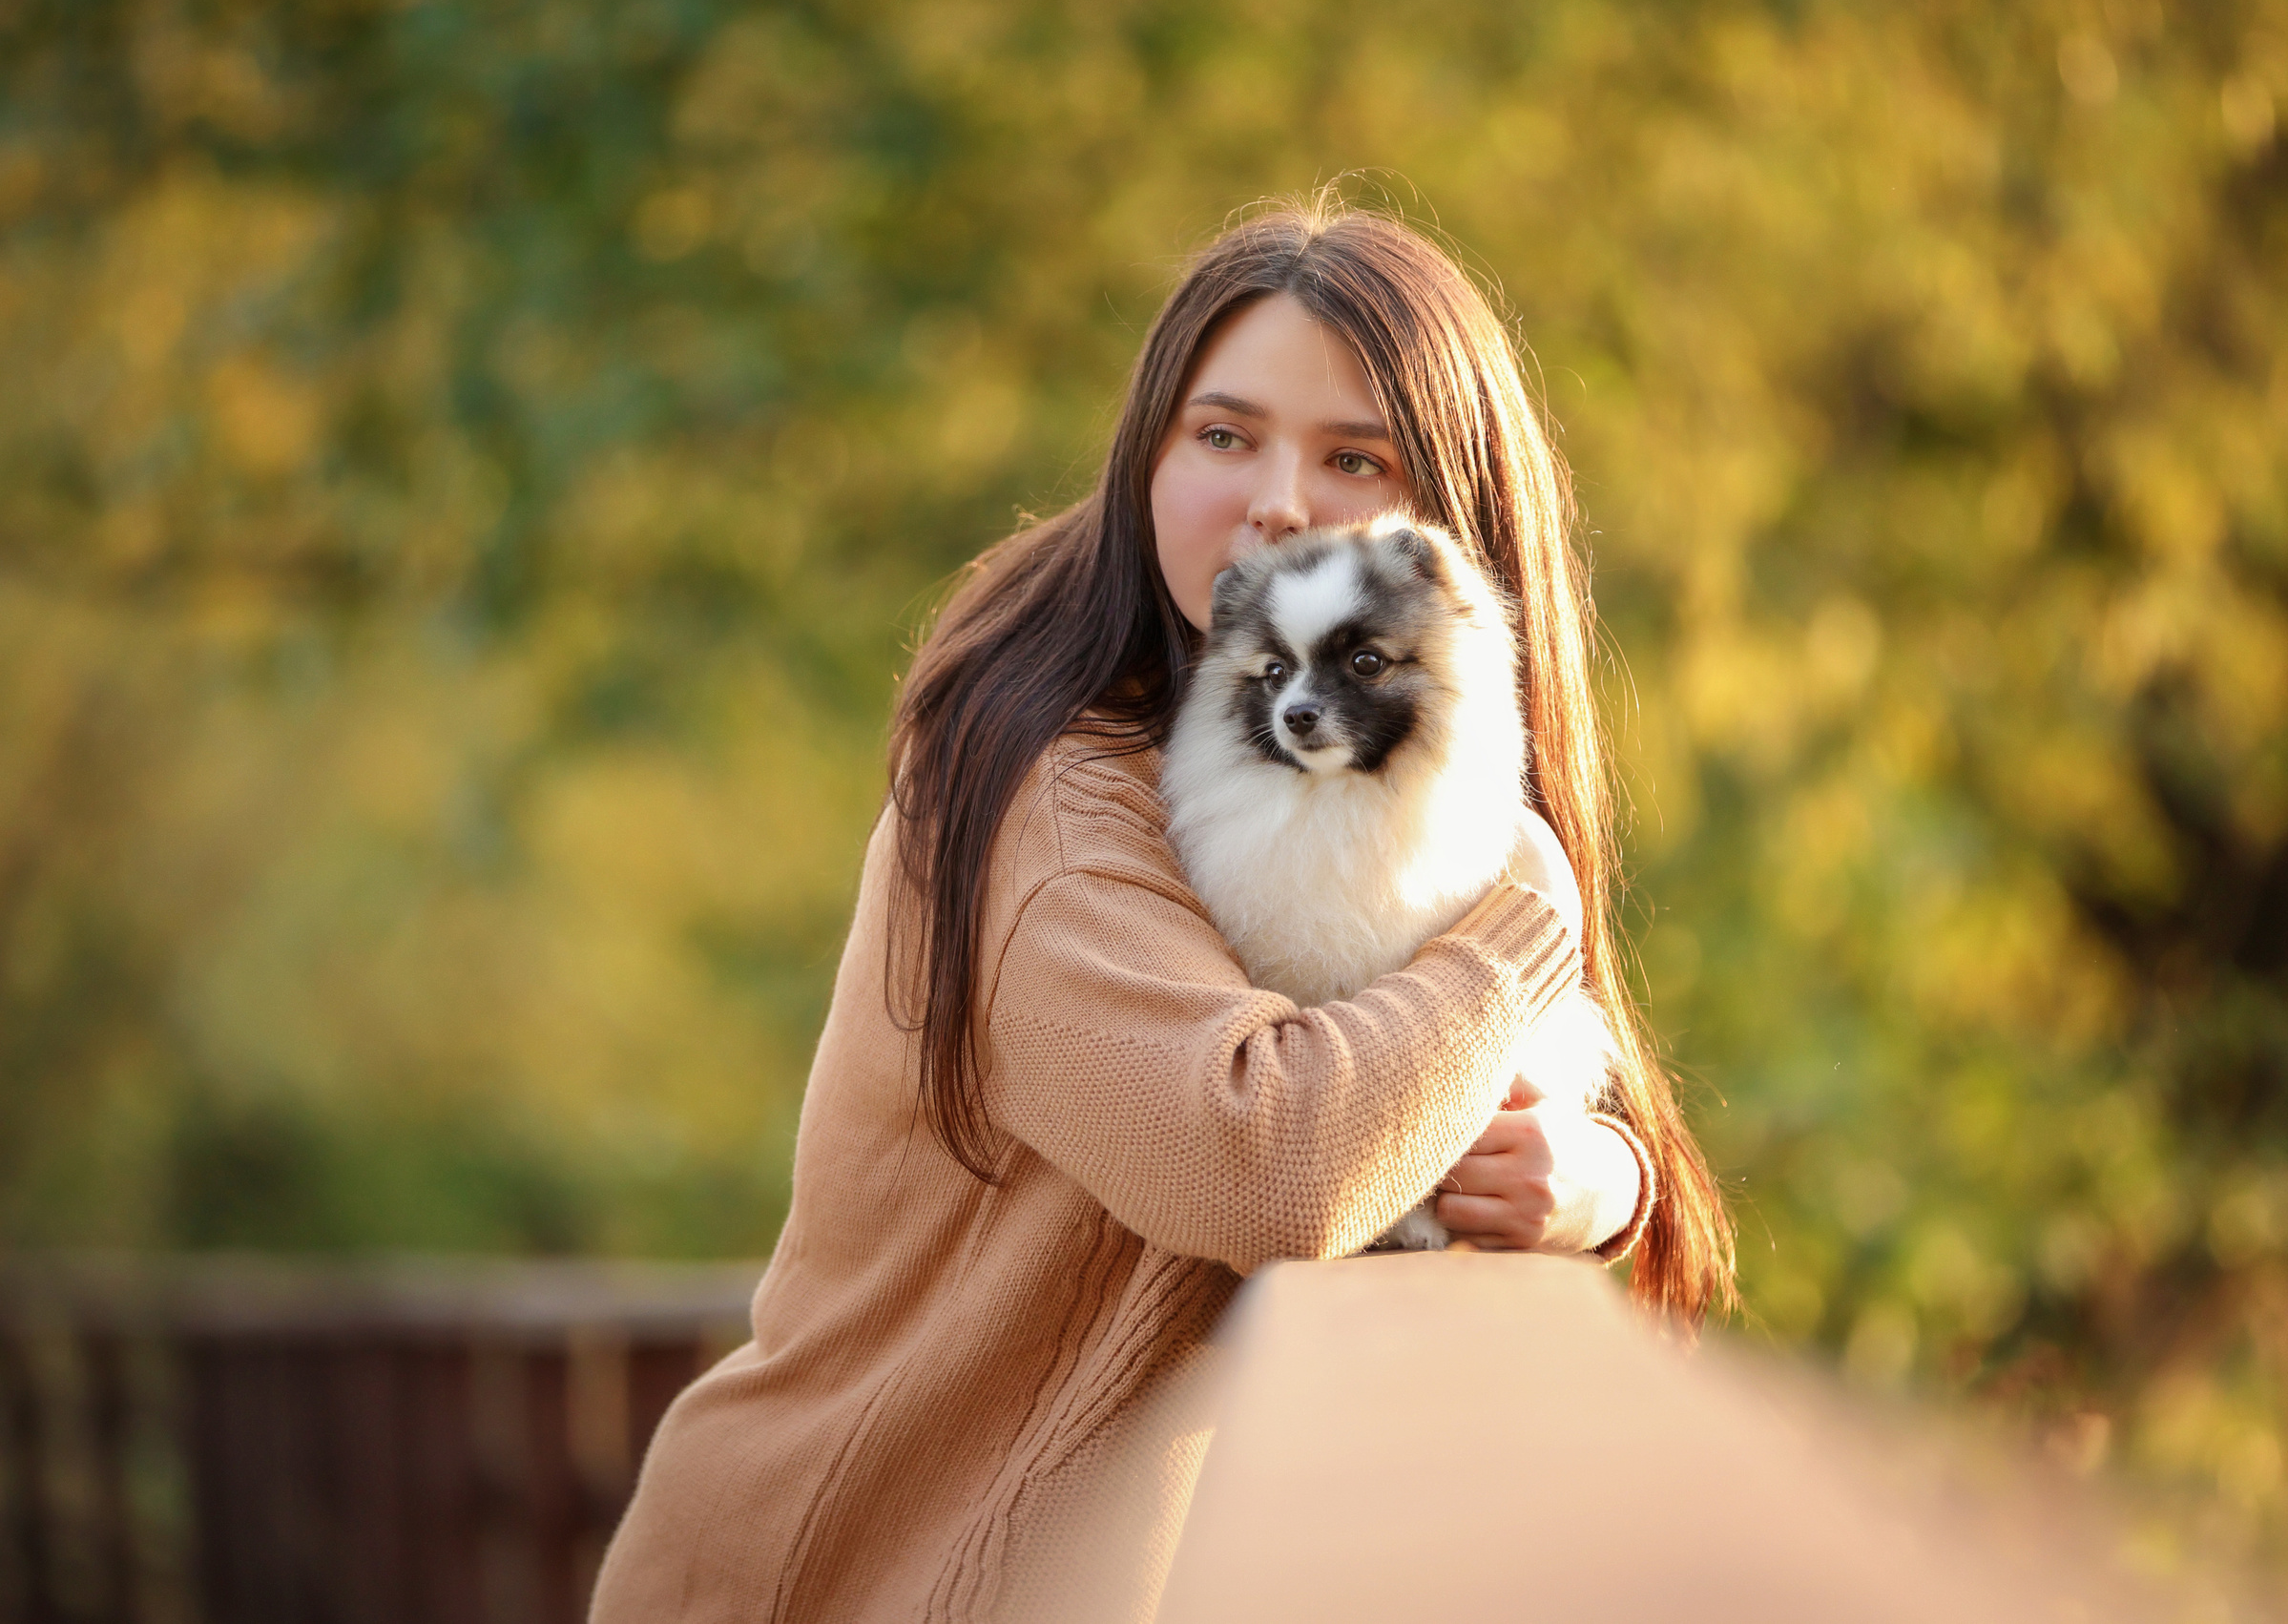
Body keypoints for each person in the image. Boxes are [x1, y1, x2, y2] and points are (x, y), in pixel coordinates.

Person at [590, 196, 1735, 1624]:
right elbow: (1265, 1161)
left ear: (1452, 532)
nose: (1278, 499)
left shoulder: (1331, 786)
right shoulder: (1050, 795)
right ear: (1147, 457)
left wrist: (1594, 1177)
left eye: (1353, 457)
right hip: (835, 1574)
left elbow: (1409, 1075)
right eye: (1224, 434)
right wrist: (1519, 933)